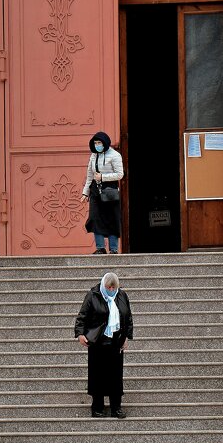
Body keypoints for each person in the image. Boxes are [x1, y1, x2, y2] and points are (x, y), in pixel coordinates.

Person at [74, 272, 134, 418]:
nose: (112, 290)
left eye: (114, 288)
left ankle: (116, 407)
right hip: (98, 341)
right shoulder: (93, 295)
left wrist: (126, 337)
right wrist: (80, 334)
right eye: (109, 287)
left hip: (116, 340)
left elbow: (128, 317)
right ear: (104, 285)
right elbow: (82, 316)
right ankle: (97, 407)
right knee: (97, 374)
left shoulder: (122, 295)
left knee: (115, 375)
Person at [81, 130, 124, 254]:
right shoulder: (93, 155)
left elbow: (120, 174)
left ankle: (113, 249)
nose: (97, 145)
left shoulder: (115, 155)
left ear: (105, 143)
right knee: (95, 218)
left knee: (111, 218)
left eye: (99, 142)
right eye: (95, 143)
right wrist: (85, 192)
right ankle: (100, 248)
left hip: (110, 190)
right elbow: (90, 175)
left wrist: (103, 177)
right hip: (95, 190)